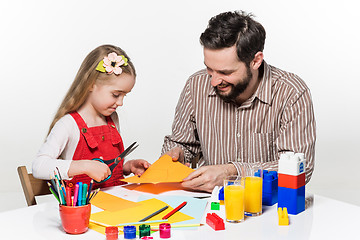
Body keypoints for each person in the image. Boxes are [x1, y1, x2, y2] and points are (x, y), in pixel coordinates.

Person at [162, 11, 316, 193]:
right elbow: (184, 144)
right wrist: (176, 153)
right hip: (209, 203)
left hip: (268, 206)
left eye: (226, 73)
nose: (213, 82)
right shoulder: (195, 85)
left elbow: (300, 169)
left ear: (256, 61)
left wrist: (232, 172)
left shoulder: (291, 91)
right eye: (209, 69)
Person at [32, 44, 150, 191]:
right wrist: (84, 166)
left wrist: (126, 167)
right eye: (116, 95)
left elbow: (110, 170)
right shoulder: (68, 125)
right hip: (86, 210)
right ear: (91, 85)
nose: (120, 102)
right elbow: (39, 166)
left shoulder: (112, 119)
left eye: (124, 95)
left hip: (117, 205)